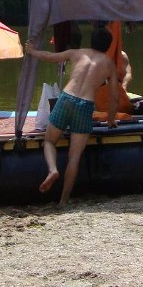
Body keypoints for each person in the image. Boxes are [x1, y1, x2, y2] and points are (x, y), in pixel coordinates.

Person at [24, 26, 119, 206]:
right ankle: (63, 201)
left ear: (91, 41)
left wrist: (32, 51)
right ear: (108, 46)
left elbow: (49, 57)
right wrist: (111, 119)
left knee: (50, 141)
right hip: (85, 104)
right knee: (74, 156)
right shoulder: (109, 64)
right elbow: (114, 97)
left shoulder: (76, 53)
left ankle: (52, 170)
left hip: (66, 98)